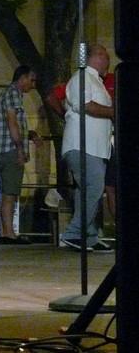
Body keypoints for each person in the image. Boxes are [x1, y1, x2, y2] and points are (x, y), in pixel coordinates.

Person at [60, 44, 114, 252]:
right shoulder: (82, 77)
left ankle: (89, 236)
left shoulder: (95, 81)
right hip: (82, 145)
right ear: (93, 57)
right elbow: (85, 105)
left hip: (94, 147)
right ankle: (74, 233)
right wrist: (114, 112)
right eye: (104, 55)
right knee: (94, 186)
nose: (107, 60)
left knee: (87, 190)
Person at [0, 65, 40, 245]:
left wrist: (30, 134)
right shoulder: (12, 94)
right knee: (10, 193)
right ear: (22, 78)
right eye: (32, 80)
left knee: (7, 192)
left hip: (4, 149)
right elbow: (12, 123)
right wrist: (20, 149)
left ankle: (5, 232)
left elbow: (14, 124)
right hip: (10, 150)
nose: (33, 85)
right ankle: (9, 234)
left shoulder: (10, 94)